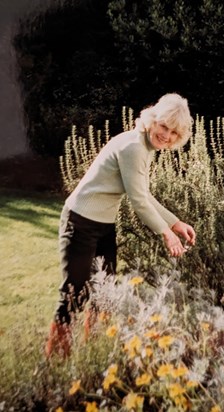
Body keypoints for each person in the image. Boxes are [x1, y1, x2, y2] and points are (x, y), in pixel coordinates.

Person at [45, 93, 196, 358]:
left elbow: (144, 194)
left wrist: (175, 223)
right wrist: (166, 234)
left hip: (103, 225)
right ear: (153, 120)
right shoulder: (134, 147)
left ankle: (95, 351)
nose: (166, 135)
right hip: (80, 221)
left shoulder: (144, 146)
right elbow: (138, 201)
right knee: (74, 293)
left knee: (105, 291)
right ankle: (56, 361)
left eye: (174, 132)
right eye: (164, 126)